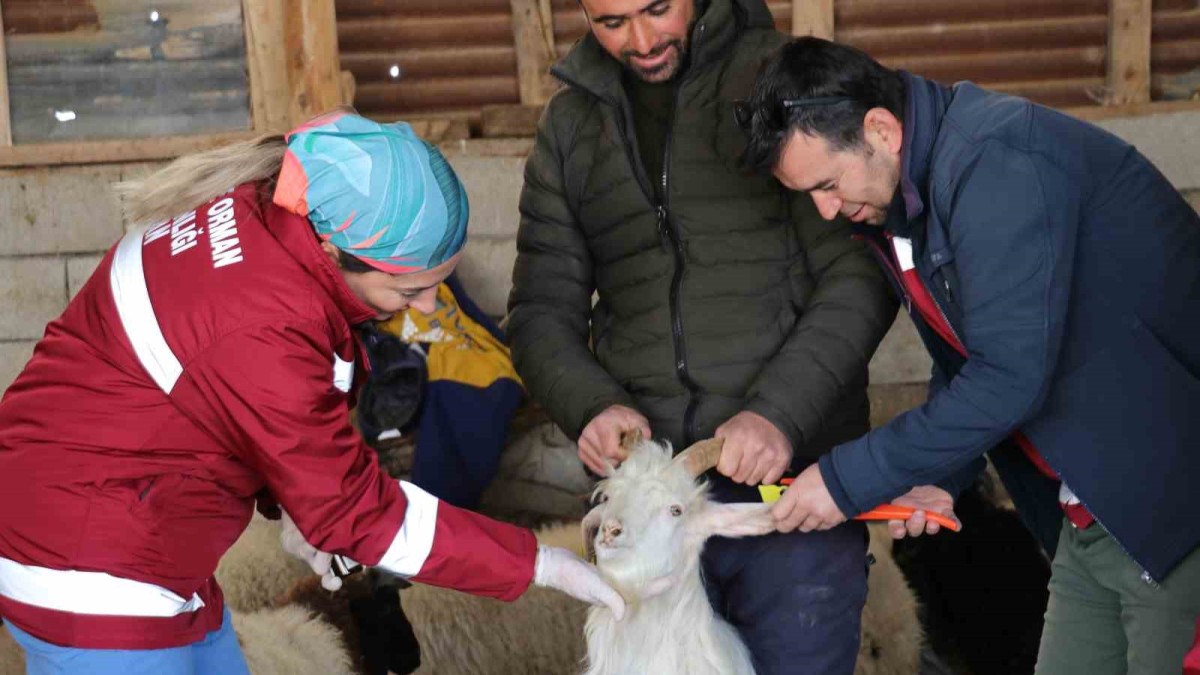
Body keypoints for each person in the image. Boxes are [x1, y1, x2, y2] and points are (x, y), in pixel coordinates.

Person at [0, 111, 622, 674]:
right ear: (334, 249)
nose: (430, 308)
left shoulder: (264, 217)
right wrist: (535, 561)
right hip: (89, 565)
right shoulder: (266, 323)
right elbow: (359, 510)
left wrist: (296, 503)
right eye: (409, 292)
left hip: (146, 527)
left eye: (437, 284)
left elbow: (221, 403)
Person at [743, 37, 1200, 674]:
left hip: (1171, 503)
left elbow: (1009, 376)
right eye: (807, 194)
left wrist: (847, 480)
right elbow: (970, 353)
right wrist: (942, 476)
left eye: (826, 183)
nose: (823, 210)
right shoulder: (909, 195)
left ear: (881, 128)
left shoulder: (994, 161)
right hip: (1091, 511)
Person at [506, 1, 908, 672]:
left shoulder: (779, 85)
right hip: (647, 499)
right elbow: (540, 310)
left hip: (788, 493)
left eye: (657, 9)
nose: (640, 40)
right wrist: (590, 405)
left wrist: (778, 414)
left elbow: (859, 276)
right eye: (611, 22)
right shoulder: (570, 127)